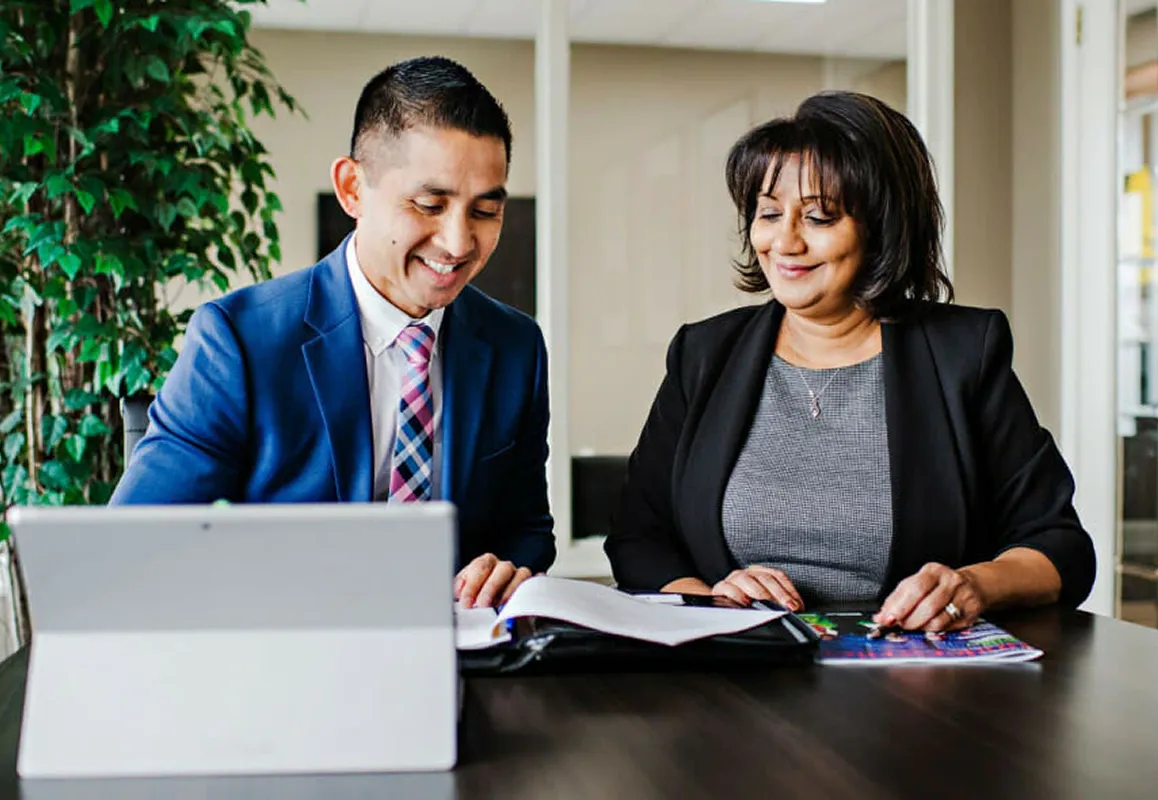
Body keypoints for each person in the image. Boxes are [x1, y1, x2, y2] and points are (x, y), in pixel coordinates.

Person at [605, 92, 1096, 632]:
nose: (784, 241)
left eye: (818, 216)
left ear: (882, 228)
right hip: (744, 672)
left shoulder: (964, 354)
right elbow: (638, 537)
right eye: (769, 213)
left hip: (911, 681)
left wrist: (972, 585)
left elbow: (1059, 547)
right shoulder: (703, 354)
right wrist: (709, 604)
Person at [111, 57, 553, 608]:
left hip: (459, 659)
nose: (459, 243)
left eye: (484, 211)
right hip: (290, 655)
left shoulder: (517, 348)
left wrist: (509, 568)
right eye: (430, 205)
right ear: (352, 190)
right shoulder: (239, 341)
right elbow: (140, 548)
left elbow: (529, 529)